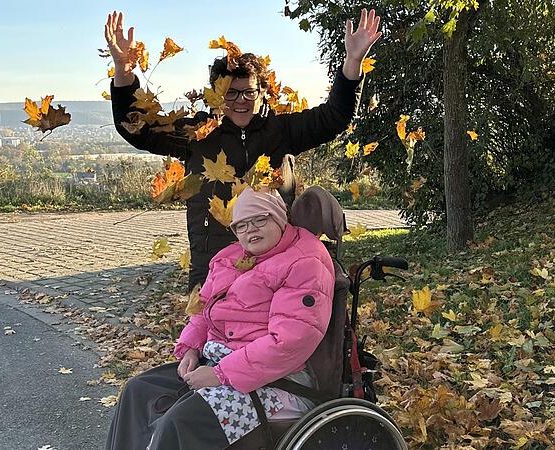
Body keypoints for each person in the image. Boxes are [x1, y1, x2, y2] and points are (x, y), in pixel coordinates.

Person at [104, 9, 382, 292]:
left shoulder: (282, 130)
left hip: (276, 267)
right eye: (230, 92)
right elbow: (137, 129)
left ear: (262, 92)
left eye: (249, 91)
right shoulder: (197, 134)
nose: (240, 101)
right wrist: (124, 70)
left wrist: (353, 62)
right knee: (212, 336)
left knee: (276, 335)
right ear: (215, 94)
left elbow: (334, 116)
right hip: (213, 269)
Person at [105, 187, 337, 450]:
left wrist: (220, 374)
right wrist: (190, 349)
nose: (250, 230)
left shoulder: (305, 262)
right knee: (138, 391)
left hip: (279, 383)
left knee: (181, 422)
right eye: (241, 226)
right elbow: (203, 310)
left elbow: (290, 342)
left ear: (279, 218)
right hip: (218, 361)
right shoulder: (230, 258)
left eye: (260, 219)